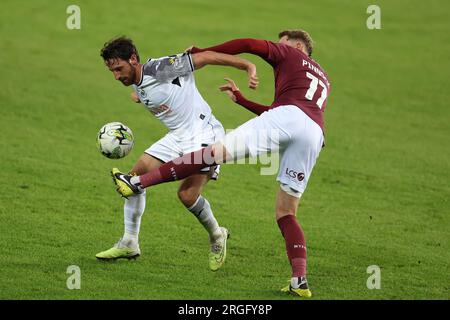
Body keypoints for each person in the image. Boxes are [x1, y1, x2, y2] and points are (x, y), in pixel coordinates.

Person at [111, 30, 330, 298]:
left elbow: (249, 44)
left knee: (212, 154)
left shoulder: (289, 53)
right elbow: (292, 112)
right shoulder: (322, 77)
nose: (276, 48)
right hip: (314, 132)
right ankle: (300, 280)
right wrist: (243, 101)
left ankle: (137, 183)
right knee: (287, 211)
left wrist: (204, 49)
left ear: (297, 46)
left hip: (281, 118)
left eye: (280, 44)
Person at [96, 36, 258, 272]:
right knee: (131, 181)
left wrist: (247, 66)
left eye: (119, 69)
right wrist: (139, 97)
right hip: (177, 136)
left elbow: (206, 57)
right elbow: (156, 92)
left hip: (204, 133)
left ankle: (217, 235)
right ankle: (130, 241)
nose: (117, 76)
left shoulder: (162, 68)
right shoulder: (136, 80)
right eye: (112, 71)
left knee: (187, 195)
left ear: (133, 59)